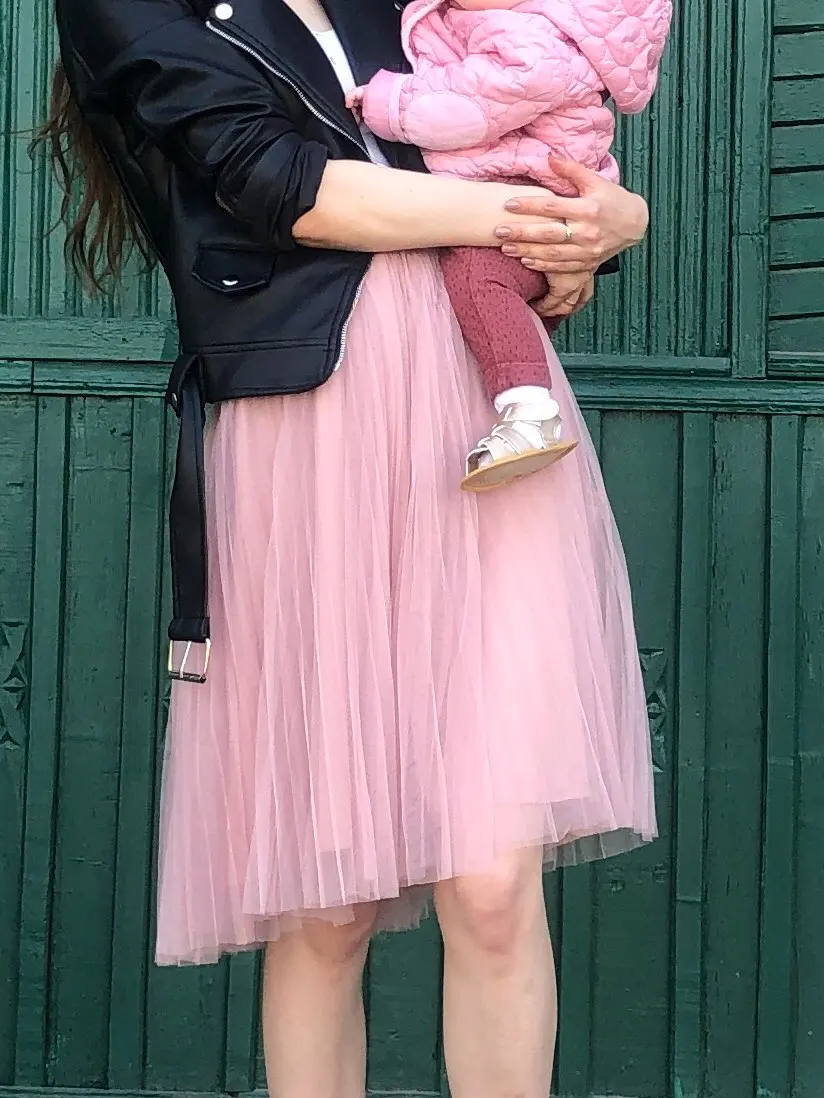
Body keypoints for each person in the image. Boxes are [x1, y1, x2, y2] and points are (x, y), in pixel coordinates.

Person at [46, 0, 656, 1095]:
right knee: (328, 909)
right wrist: (562, 218)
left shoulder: (408, 0)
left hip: (486, 413)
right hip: (308, 434)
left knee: (492, 885)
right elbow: (290, 189)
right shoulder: (131, 7)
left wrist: (614, 214)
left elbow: (522, 117)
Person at [349, 0, 671, 490]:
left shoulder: (525, 34)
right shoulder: (517, 23)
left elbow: (468, 109)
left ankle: (530, 412)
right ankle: (515, 402)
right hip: (530, 188)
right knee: (506, 323)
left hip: (526, 191)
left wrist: (388, 101)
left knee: (480, 280)